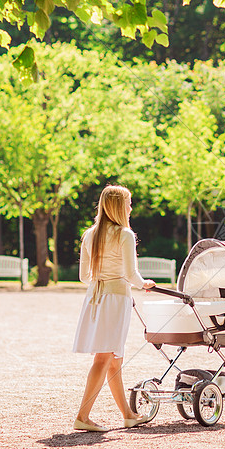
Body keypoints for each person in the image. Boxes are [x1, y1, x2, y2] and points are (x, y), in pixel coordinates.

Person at [72, 184, 156, 432]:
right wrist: (144, 284)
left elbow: (84, 276)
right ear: (120, 206)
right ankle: (83, 416)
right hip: (116, 300)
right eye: (128, 203)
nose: (131, 208)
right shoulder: (124, 235)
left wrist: (103, 280)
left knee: (114, 360)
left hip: (95, 299)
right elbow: (131, 274)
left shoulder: (90, 234)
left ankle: (128, 415)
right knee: (104, 356)